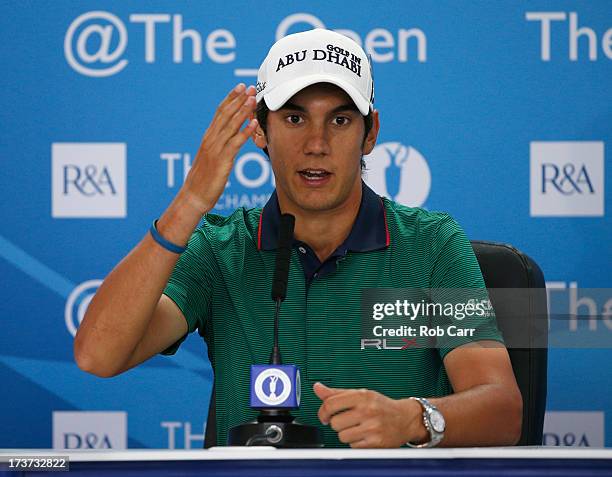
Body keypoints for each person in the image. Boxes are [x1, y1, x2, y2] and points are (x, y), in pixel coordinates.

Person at [74, 28, 522, 448]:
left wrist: (412, 419)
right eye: (294, 118)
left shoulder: (431, 245)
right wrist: (190, 200)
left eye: (341, 120)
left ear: (371, 134)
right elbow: (98, 355)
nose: (316, 143)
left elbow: (503, 410)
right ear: (261, 131)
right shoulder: (219, 250)